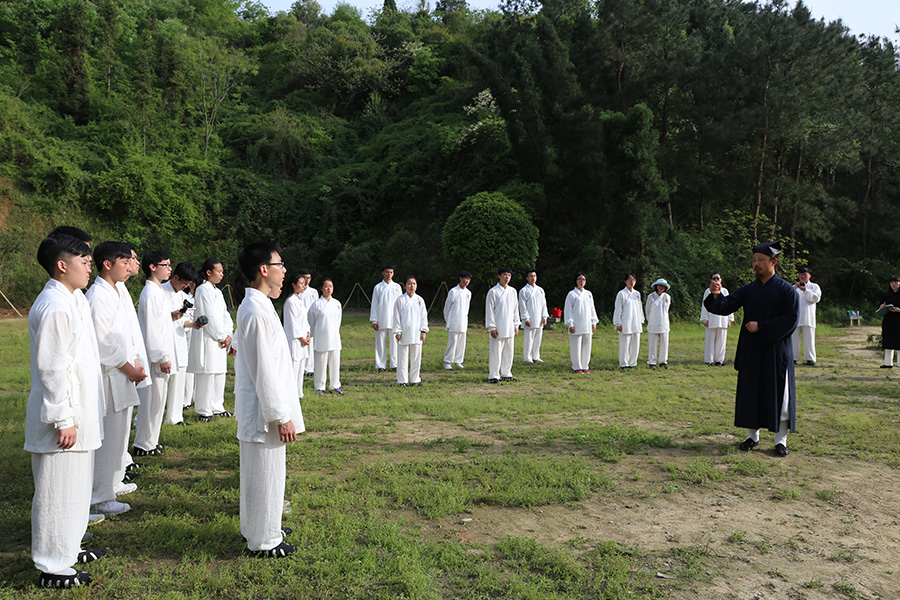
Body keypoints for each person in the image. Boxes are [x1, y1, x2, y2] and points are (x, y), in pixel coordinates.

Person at [26, 235, 105, 588]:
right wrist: (62, 417)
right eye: (83, 261)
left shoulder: (72, 300)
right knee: (57, 490)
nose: (90, 267)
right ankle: (52, 565)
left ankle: (68, 548)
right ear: (62, 265)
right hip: (63, 417)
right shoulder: (55, 306)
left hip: (79, 412)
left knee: (74, 489)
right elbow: (52, 367)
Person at [233, 243, 304, 558]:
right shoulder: (255, 309)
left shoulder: (259, 305)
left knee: (261, 473)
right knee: (265, 473)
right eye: (280, 263)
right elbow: (264, 370)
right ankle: (263, 541)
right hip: (265, 411)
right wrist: (280, 414)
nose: (284, 269)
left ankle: (260, 527)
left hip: (263, 408)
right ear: (264, 269)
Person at [704, 241, 799, 457]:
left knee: (779, 396)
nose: (756, 264)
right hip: (752, 351)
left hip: (777, 351)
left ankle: (780, 440)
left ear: (773, 262)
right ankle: (752, 436)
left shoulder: (786, 291)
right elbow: (726, 306)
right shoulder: (749, 289)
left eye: (761, 260)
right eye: (754, 260)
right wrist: (716, 295)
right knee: (752, 393)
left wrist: (762, 327)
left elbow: (791, 320)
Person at [85, 242, 146, 517]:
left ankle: (109, 485)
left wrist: (134, 361)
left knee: (118, 436)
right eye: (124, 261)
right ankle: (100, 495)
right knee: (108, 438)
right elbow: (102, 340)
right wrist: (127, 365)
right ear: (107, 264)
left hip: (122, 371)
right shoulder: (98, 295)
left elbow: (124, 333)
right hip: (111, 374)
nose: (129, 266)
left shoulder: (116, 291)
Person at [134, 251, 178, 456]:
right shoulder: (150, 293)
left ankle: (151, 440)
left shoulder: (158, 291)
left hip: (161, 352)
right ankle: (143, 442)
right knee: (151, 401)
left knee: (159, 401)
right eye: (165, 265)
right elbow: (152, 328)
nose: (169, 269)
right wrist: (161, 356)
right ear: (152, 267)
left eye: (170, 265)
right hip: (155, 356)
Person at [188, 259, 234, 421]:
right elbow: (209, 317)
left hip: (220, 338)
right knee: (207, 373)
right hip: (209, 337)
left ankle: (217, 405)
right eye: (219, 271)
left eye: (222, 271)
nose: (222, 274)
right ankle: (203, 409)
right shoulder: (202, 290)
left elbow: (225, 314)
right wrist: (221, 336)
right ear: (209, 272)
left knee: (219, 373)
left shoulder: (218, 292)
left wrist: (228, 333)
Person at [161, 262, 200, 425]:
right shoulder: (160, 291)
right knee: (161, 386)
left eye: (188, 284)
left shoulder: (182, 296)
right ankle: (144, 419)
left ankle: (175, 417)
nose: (185, 286)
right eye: (184, 283)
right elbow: (156, 318)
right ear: (175, 277)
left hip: (180, 342)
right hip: (164, 343)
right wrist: (171, 315)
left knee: (179, 381)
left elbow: (184, 321)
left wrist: (194, 324)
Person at [307, 279, 343, 394]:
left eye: (331, 286)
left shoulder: (337, 303)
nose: (328, 289)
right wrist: (313, 333)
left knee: (335, 362)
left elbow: (338, 321)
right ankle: (319, 386)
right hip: (321, 337)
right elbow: (310, 321)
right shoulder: (316, 304)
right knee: (320, 363)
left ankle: (335, 384)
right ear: (321, 288)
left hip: (334, 337)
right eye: (326, 286)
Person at [485, 267, 520, 383]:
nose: (507, 277)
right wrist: (492, 327)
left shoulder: (513, 291)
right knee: (496, 352)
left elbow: (515, 309)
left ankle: (506, 373)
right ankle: (494, 375)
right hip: (498, 326)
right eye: (505, 275)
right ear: (499, 276)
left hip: (510, 326)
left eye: (509, 275)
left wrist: (516, 324)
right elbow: (489, 311)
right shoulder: (493, 292)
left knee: (509, 352)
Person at [393, 276, 429, 386]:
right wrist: (398, 331)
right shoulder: (400, 300)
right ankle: (402, 380)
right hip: (404, 332)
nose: (411, 286)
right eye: (409, 284)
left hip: (416, 332)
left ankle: (415, 379)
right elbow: (396, 317)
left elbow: (424, 317)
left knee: (416, 358)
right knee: (402, 358)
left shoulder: (420, 300)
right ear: (404, 286)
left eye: (414, 284)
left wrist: (423, 331)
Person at [282, 273, 311, 396]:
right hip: (295, 340)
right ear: (293, 285)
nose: (303, 286)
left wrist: (308, 333)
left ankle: (299, 393)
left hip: (303, 340)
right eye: (301, 283)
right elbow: (292, 323)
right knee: (293, 368)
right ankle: (291, 395)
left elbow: (304, 320)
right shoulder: (290, 302)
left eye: (304, 284)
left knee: (300, 368)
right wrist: (301, 338)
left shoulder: (299, 300)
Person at [370, 265, 402, 372]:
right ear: (383, 273)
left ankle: (395, 364)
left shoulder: (397, 287)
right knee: (380, 343)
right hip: (381, 318)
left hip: (394, 319)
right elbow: (374, 304)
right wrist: (374, 320)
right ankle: (380, 365)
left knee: (394, 343)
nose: (389, 274)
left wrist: (400, 319)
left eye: (391, 272)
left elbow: (401, 304)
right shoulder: (378, 287)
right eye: (387, 272)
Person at [564, 272, 598, 373]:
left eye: (583, 279)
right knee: (576, 346)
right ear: (576, 281)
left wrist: (593, 322)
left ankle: (585, 365)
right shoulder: (572, 294)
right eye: (579, 279)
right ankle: (577, 366)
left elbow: (592, 309)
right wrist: (570, 323)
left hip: (587, 323)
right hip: (576, 323)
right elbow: (568, 310)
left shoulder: (588, 294)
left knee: (586, 346)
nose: (581, 281)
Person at [700, 273, 734, 366]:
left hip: (723, 318)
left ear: (721, 280)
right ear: (711, 280)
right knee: (710, 340)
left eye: (717, 278)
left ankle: (719, 360)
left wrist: (730, 319)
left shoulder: (725, 291)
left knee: (721, 341)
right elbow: (704, 305)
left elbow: (729, 304)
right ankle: (709, 360)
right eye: (714, 278)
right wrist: (704, 319)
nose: (716, 280)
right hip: (711, 318)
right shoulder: (708, 291)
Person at [792, 267, 822, 366]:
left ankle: (810, 359)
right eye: (801, 274)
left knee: (809, 339)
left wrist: (806, 290)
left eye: (805, 274)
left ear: (809, 276)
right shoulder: (794, 287)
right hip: (796, 317)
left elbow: (816, 298)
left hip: (808, 318)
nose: (802, 276)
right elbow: (788, 300)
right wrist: (795, 289)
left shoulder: (814, 287)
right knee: (794, 339)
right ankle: (793, 358)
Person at [442, 271, 472, 370]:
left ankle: (458, 360)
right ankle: (447, 361)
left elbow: (467, 308)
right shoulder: (453, 291)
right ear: (460, 278)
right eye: (465, 278)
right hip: (454, 320)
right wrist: (448, 320)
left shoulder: (468, 293)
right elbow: (447, 307)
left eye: (468, 279)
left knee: (461, 341)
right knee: (453, 341)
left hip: (463, 320)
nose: (466, 281)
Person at [613, 273, 643, 369]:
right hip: (625, 322)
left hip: (636, 322)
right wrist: (618, 322)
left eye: (633, 280)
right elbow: (618, 309)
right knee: (625, 344)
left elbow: (640, 308)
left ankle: (633, 363)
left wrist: (641, 320)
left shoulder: (637, 294)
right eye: (629, 279)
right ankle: (624, 364)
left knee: (635, 344)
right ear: (625, 281)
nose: (631, 282)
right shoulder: (621, 293)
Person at [519, 269, 549, 364]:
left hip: (539, 318)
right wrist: (526, 318)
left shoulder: (540, 290)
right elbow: (522, 306)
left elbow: (544, 304)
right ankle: (527, 357)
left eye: (534, 276)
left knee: (538, 338)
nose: (533, 278)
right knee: (529, 339)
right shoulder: (524, 291)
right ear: (527, 278)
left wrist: (544, 316)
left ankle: (536, 356)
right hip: (530, 318)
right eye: (531, 276)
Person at [645, 278, 672, 369]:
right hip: (653, 323)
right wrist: (650, 320)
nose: (661, 288)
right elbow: (647, 310)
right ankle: (652, 362)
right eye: (659, 285)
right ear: (656, 286)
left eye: (663, 286)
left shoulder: (667, 297)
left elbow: (666, 310)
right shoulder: (651, 296)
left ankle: (663, 361)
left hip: (664, 323)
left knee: (664, 344)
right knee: (652, 344)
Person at [878, 275, 900, 368]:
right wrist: (882, 307)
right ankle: (887, 363)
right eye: (891, 282)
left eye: (896, 282)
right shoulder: (886, 294)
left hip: (899, 320)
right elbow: (882, 304)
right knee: (888, 341)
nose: (893, 284)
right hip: (888, 320)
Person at [299, 270, 318, 377]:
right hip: (300, 321)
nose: (307, 280)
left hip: (311, 321)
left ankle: (310, 367)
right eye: (304, 278)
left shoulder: (313, 292)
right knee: (301, 343)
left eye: (308, 278)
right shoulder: (298, 291)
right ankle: (302, 367)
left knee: (310, 344)